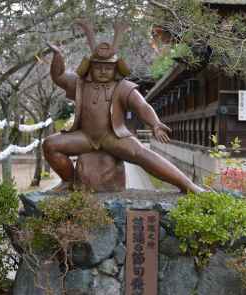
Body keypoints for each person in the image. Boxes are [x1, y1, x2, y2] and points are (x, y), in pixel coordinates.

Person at [43, 20, 204, 193]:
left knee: (142, 154)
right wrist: (58, 55)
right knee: (50, 144)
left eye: (108, 67)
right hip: (85, 136)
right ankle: (69, 181)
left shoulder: (123, 86)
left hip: (113, 136)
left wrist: (155, 124)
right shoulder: (79, 83)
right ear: (90, 66)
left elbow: (142, 106)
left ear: (116, 68)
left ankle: (187, 185)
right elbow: (58, 76)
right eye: (98, 67)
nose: (103, 71)